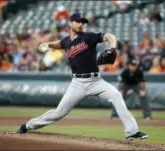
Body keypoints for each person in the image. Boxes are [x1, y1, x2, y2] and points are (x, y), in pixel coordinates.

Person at [18, 13, 148, 140]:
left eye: (83, 22)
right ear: (70, 23)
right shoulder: (66, 41)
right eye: (78, 21)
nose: (81, 24)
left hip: (96, 81)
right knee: (59, 113)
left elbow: (109, 36)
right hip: (78, 83)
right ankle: (28, 125)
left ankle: (131, 131)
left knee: (116, 96)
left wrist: (112, 47)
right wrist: (47, 44)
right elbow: (60, 43)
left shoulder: (88, 37)